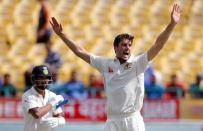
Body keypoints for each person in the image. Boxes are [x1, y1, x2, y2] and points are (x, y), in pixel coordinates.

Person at [50, 3, 181, 131]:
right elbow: (80, 52)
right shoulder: (105, 64)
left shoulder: (138, 63)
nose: (128, 48)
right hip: (112, 121)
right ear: (115, 48)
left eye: (130, 45)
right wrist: (62, 35)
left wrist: (172, 24)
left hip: (132, 120)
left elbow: (158, 44)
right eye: (124, 45)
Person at [22, 65, 65, 131]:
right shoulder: (28, 95)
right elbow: (37, 114)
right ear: (34, 78)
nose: (45, 80)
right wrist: (52, 102)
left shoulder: (52, 95)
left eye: (47, 77)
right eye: (41, 77)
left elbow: (58, 115)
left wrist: (59, 121)